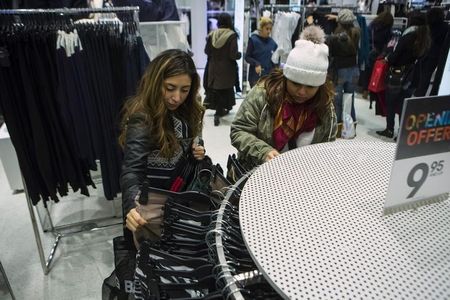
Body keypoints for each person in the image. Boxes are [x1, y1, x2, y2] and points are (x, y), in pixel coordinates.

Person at [119, 49, 206, 248]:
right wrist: (132, 206)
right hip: (155, 204)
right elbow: (132, 170)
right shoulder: (143, 118)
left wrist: (197, 148)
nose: (177, 97)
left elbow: (195, 139)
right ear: (156, 82)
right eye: (170, 88)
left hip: (181, 196)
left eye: (185, 90)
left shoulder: (189, 109)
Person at [231, 26, 337, 169]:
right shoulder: (263, 94)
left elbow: (327, 148)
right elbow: (239, 130)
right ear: (286, 77)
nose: (302, 92)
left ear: (319, 86)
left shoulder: (324, 106)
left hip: (302, 176)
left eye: (310, 87)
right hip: (257, 174)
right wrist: (263, 151)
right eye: (295, 83)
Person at [376, 11, 430, 139]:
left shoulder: (408, 36)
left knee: (391, 103)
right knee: (403, 105)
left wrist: (389, 54)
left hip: (398, 75)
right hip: (414, 75)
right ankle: (401, 133)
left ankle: (389, 130)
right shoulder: (425, 37)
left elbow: (395, 57)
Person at [204, 12, 241, 126]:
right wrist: (239, 55)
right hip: (227, 70)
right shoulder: (232, 35)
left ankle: (218, 112)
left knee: (217, 91)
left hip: (214, 69)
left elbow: (207, 51)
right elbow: (232, 55)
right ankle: (221, 111)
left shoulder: (212, 35)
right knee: (225, 91)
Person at [326, 9, 360, 132]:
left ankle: (339, 128)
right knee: (350, 99)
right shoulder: (356, 32)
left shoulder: (335, 37)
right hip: (354, 70)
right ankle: (351, 127)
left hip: (340, 71)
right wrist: (338, 17)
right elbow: (354, 22)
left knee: (338, 101)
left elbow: (329, 53)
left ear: (340, 22)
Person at [245, 16, 278, 88]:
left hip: (268, 77)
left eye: (270, 29)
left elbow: (273, 60)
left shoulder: (273, 43)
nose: (269, 31)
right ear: (261, 28)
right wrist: (256, 63)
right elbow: (247, 57)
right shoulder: (253, 40)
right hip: (255, 77)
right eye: (267, 29)